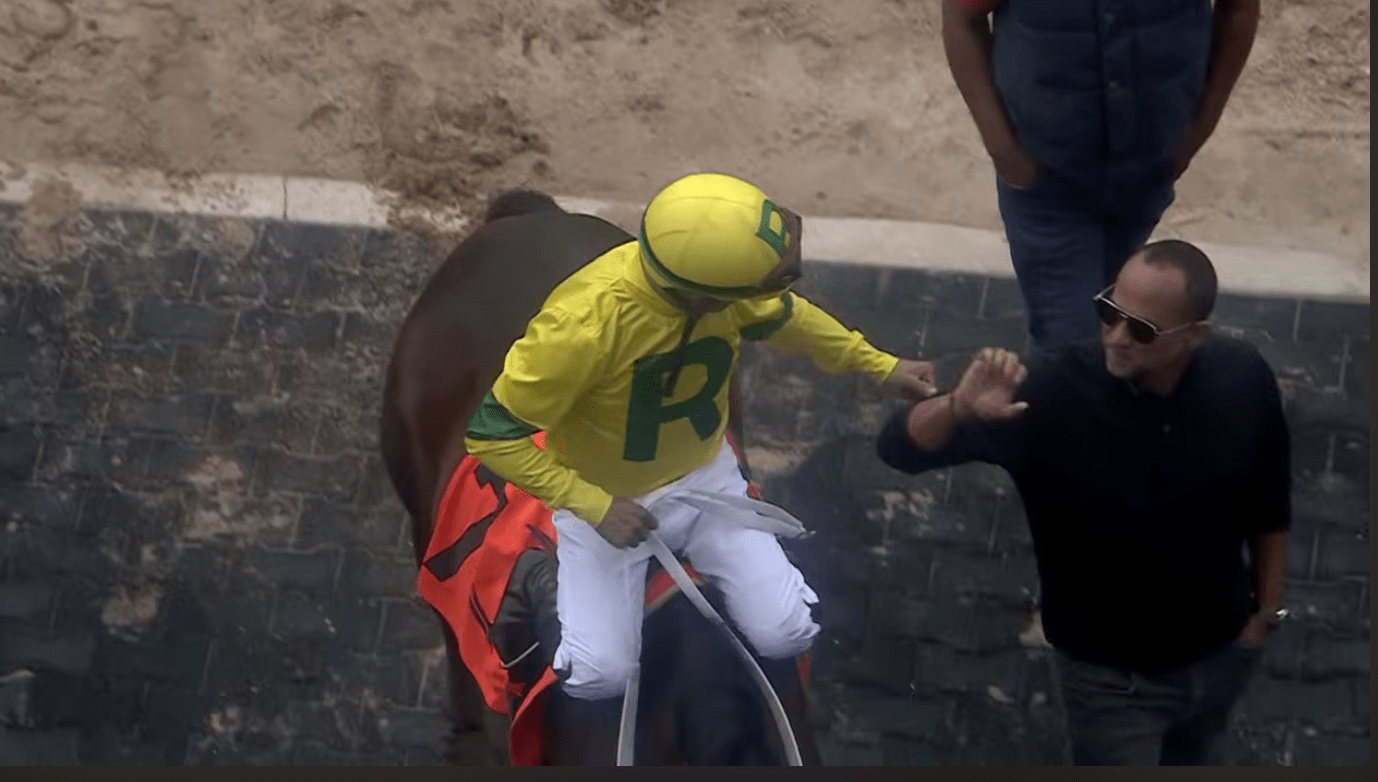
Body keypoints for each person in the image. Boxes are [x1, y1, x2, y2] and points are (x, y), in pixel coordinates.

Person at [464, 172, 938, 763]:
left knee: (788, 630)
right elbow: (491, 436)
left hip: (708, 483)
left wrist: (881, 366)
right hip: (607, 504)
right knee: (599, 675)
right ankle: (538, 581)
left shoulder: (721, 297)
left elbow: (791, 319)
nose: (773, 292)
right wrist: (596, 507)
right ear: (702, 294)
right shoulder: (580, 329)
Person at [874, 239, 1291, 765]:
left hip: (1221, 656)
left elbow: (1269, 498)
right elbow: (898, 448)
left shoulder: (1242, 377)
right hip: (1112, 686)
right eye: (1108, 312)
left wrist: (1264, 617)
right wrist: (957, 407)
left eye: (1140, 329)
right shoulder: (1056, 395)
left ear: (1194, 336)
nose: (1116, 338)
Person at [941, 0, 1261, 358]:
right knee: (1070, 350)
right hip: (1049, 184)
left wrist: (1197, 131)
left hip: (1144, 176)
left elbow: (1240, 11)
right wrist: (1004, 152)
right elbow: (960, 19)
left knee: (1123, 337)